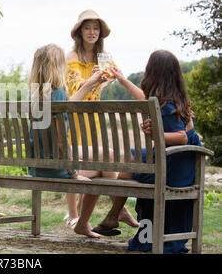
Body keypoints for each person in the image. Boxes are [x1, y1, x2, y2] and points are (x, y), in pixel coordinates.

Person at [80, 50, 200, 252]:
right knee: (135, 157)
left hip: (176, 163)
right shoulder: (170, 99)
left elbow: (181, 137)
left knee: (134, 157)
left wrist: (155, 134)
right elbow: (146, 99)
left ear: (152, 72)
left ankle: (115, 214)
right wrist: (123, 80)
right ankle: (114, 215)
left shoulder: (168, 105)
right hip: (178, 160)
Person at [63, 9, 133, 230]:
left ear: (100, 32)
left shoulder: (104, 56)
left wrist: (102, 82)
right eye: (87, 27)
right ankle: (73, 215)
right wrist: (93, 81)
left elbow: (114, 74)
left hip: (94, 116)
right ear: (79, 31)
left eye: (95, 28)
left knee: (94, 159)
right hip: (76, 114)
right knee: (75, 160)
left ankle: (106, 212)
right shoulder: (72, 56)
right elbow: (75, 87)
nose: (92, 32)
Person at [27, 43, 109, 225]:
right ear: (57, 67)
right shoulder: (58, 94)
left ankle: (113, 214)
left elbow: (68, 104)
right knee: (106, 165)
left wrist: (91, 83)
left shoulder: (34, 94)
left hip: (35, 166)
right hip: (56, 168)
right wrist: (73, 173)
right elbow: (62, 142)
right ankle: (89, 220)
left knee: (105, 157)